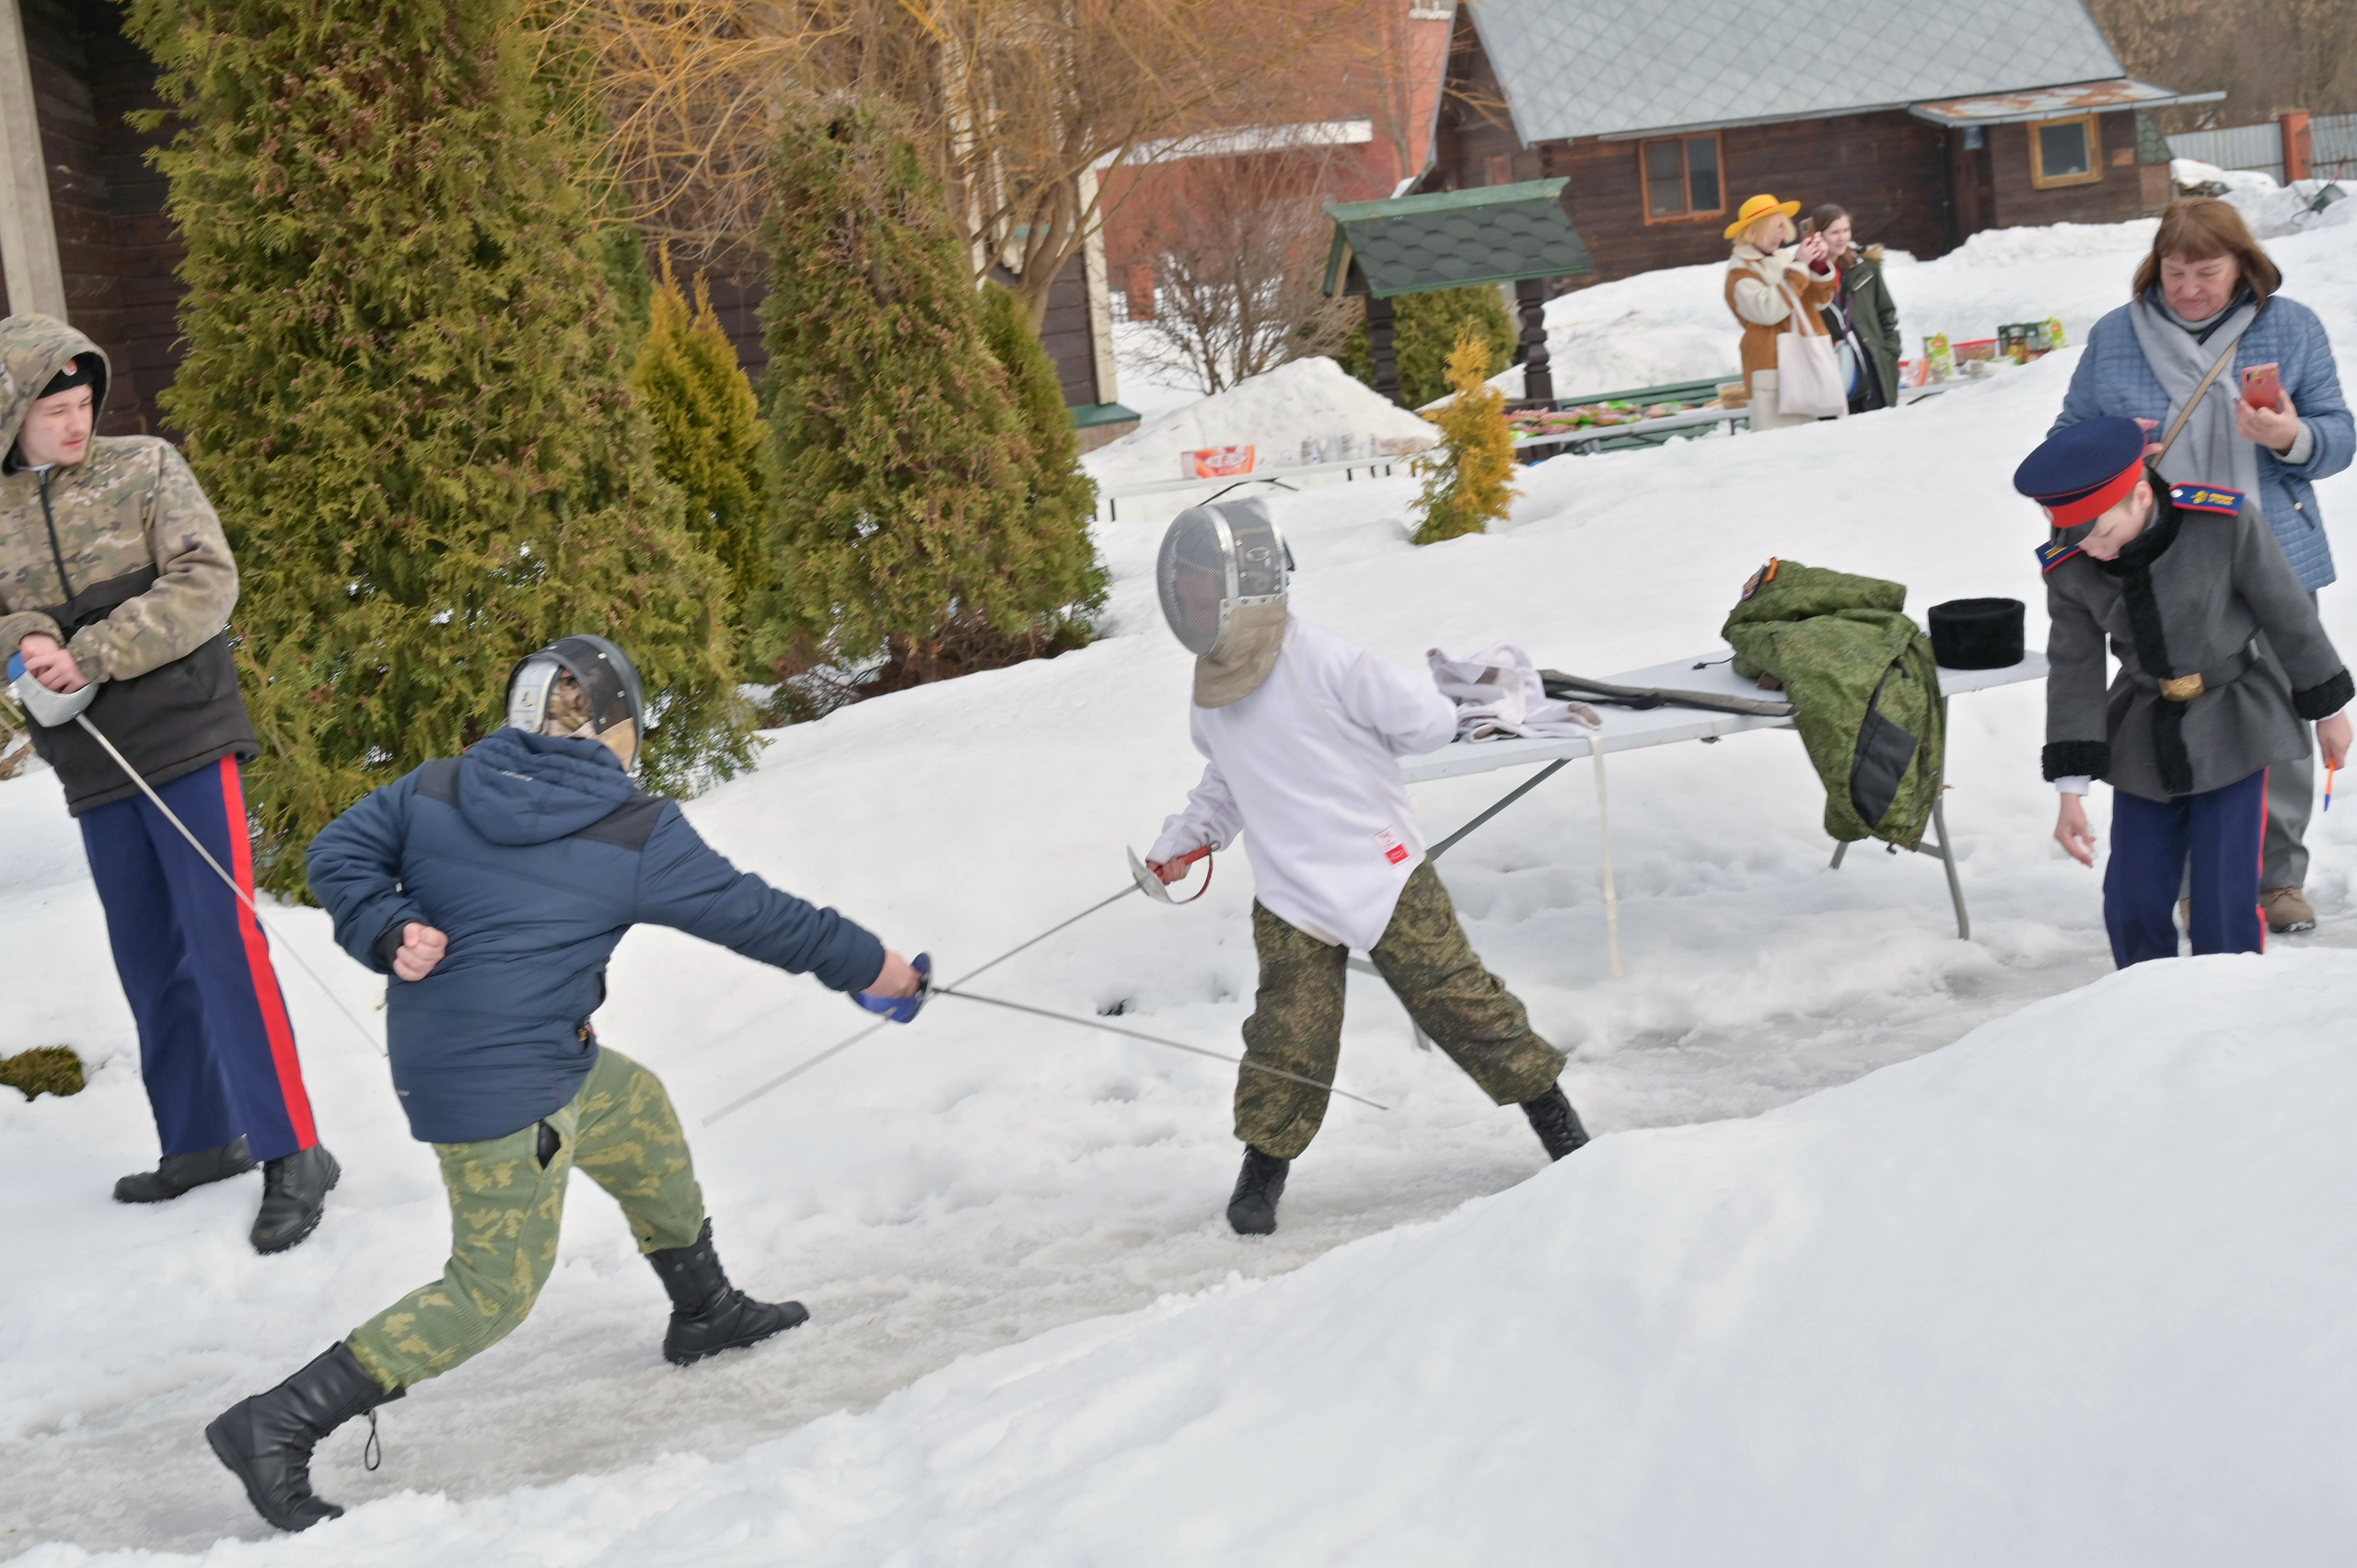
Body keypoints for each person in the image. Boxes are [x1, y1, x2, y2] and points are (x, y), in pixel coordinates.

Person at [203, 636, 925, 1533]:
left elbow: (339, 849)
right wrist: (881, 970)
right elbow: (764, 918)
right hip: (496, 1089)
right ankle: (278, 1421)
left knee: (638, 1111)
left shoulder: (435, 785)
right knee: (492, 1285)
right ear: (620, 730)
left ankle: (703, 1306)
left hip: (531, 1052)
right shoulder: (635, 831)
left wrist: (387, 923)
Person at [1139, 501, 1589, 1237]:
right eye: (1182, 588)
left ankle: (1556, 1119)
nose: (1185, 600)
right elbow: (1226, 780)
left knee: (1461, 1001)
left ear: (1240, 586)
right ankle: (1263, 1168)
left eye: (1195, 586)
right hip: (1292, 894)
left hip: (1384, 875)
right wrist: (1189, 838)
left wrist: (1435, 710)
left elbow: (1429, 724)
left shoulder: (1335, 663)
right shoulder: (1212, 694)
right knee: (1289, 1034)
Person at [0, 313, 336, 1253]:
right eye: (54, 409)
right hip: (91, 760)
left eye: (82, 403)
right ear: (11, 420)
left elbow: (205, 580)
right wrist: (21, 636)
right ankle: (198, 1139)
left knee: (222, 938)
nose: (76, 423)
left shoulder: (144, 466)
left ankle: (293, 1149)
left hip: (184, 734)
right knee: (148, 953)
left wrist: (94, 652)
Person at [2049, 199, 2352, 934]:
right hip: (2160, 562)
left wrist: (2289, 437)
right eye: (2177, 272)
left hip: (2272, 547)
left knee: (2278, 711)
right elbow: (2067, 440)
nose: (2190, 288)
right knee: (2178, 716)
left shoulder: (2292, 326)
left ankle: (2275, 877)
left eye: (2208, 272)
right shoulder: (2117, 337)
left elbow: (2339, 437)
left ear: (2243, 265)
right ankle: (2196, 878)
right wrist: (2121, 453)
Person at [2020, 416, 2351, 966]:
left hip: (2236, 721)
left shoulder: (2222, 522)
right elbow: (2074, 669)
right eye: (2077, 539)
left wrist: (2328, 709)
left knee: (2224, 899)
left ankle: (2225, 1016)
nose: (2094, 552)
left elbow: (2287, 613)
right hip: (2144, 731)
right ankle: (2147, 1012)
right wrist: (2070, 792)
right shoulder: (2071, 565)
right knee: (2132, 899)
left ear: (2141, 496)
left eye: (2101, 533)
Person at [1721, 192, 1840, 433]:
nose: (1780, 234)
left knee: (1824, 445)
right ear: (1754, 232)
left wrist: (1817, 266)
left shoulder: (1786, 258)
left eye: (1782, 227)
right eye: (1773, 228)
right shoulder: (1740, 271)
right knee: (1780, 451)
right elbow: (1767, 311)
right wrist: (1799, 268)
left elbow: (1820, 302)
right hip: (1772, 365)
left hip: (1808, 356)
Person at [1806, 203, 1899, 413]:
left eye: (1846, 230)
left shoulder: (1866, 270)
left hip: (1875, 370)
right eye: (1835, 233)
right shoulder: (1807, 278)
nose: (1842, 238)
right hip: (1834, 373)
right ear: (1818, 236)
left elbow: (1886, 313)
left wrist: (1890, 352)